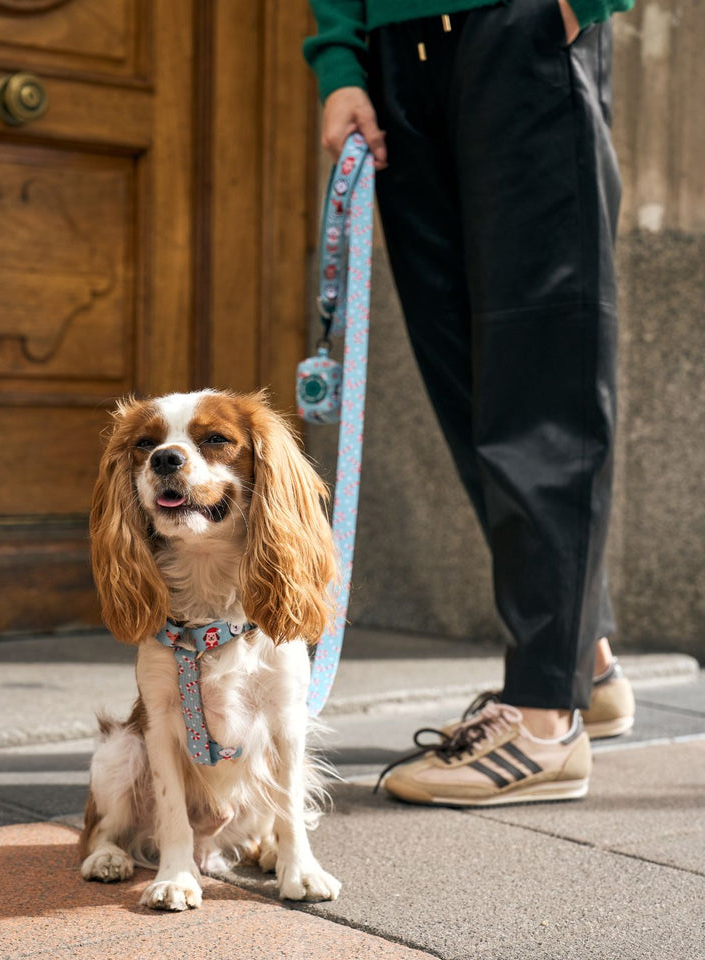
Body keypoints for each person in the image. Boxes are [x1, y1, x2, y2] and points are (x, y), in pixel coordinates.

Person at [304, 0, 636, 806]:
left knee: (544, 369)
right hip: (396, 60)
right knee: (470, 390)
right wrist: (342, 63)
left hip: (520, 32)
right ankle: (578, 661)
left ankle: (545, 725)